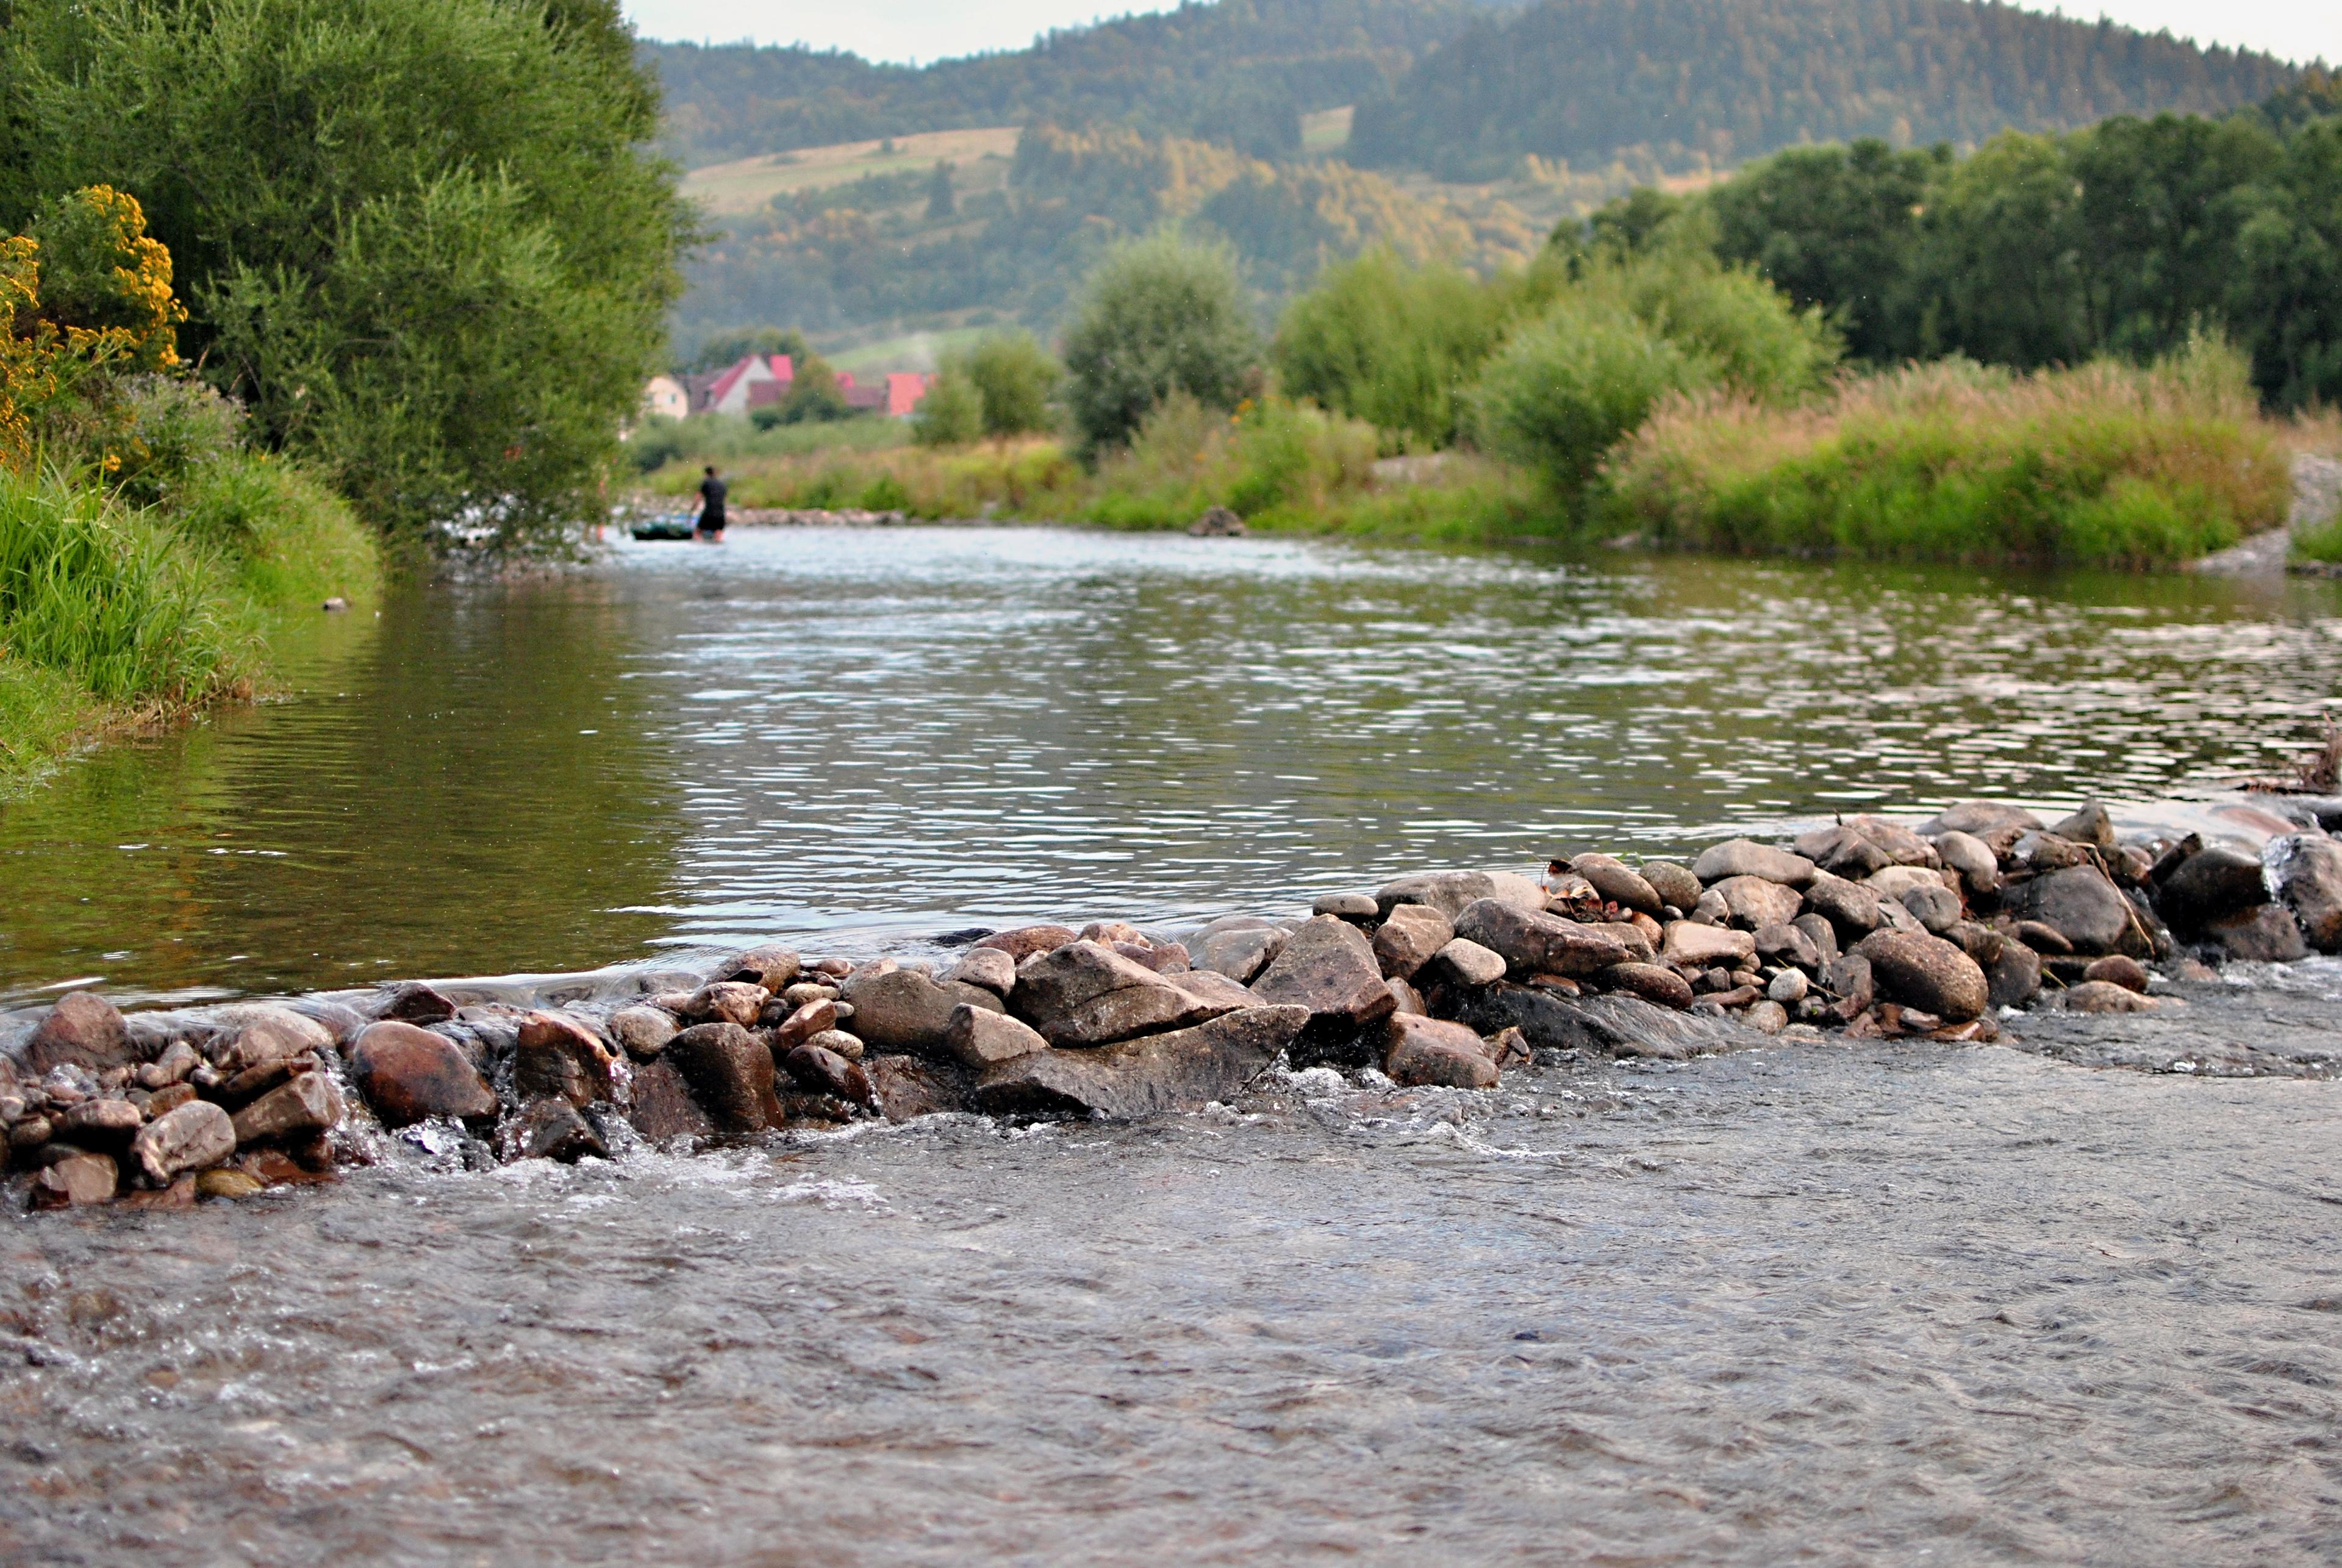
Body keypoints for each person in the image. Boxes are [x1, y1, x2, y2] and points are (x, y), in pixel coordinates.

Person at [695, 465, 728, 540]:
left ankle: (698, 549)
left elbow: (698, 497)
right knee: (719, 534)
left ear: (706, 474)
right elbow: (724, 498)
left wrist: (693, 508)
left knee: (697, 533)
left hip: (709, 511)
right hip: (721, 513)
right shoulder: (722, 485)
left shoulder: (706, 483)